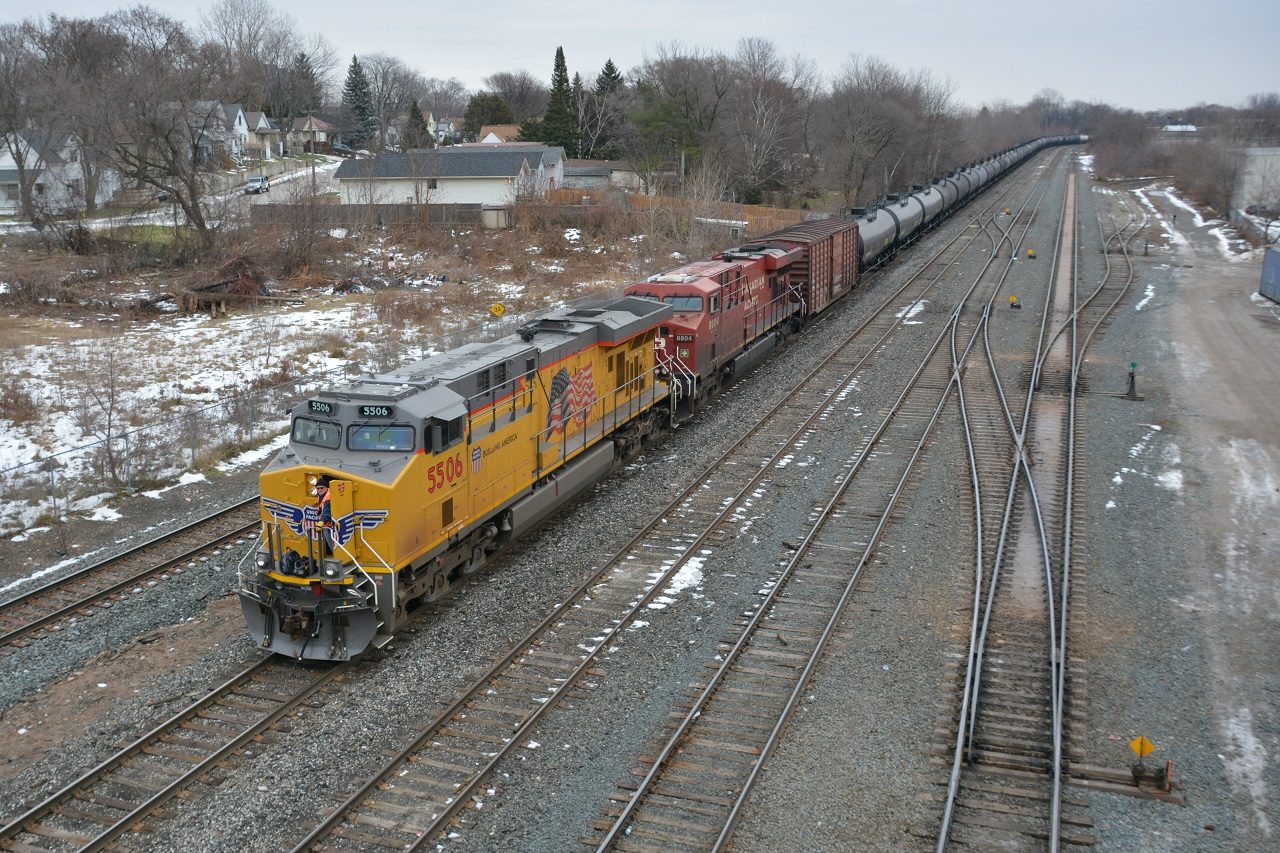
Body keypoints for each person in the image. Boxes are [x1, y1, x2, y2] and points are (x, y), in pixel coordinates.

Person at [316, 478, 333, 556]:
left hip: (330, 525)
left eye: (322, 488)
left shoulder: (328, 497)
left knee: (331, 543)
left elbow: (327, 512)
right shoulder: (322, 495)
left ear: (326, 487)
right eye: (318, 488)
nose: (320, 489)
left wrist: (321, 522)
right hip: (326, 524)